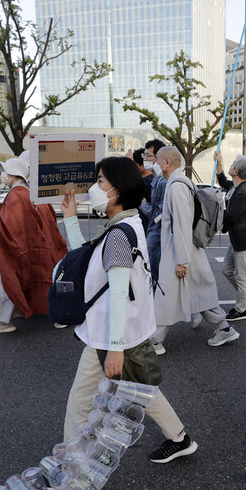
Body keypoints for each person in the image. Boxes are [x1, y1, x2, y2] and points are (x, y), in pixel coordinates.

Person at [60, 156, 198, 463]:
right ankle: (180, 437)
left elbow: (120, 292)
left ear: (118, 189)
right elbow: (83, 264)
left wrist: (116, 349)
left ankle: (70, 463)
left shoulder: (118, 235)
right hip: (126, 331)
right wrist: (70, 219)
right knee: (140, 389)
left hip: (111, 335)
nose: (95, 189)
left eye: (100, 182)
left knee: (80, 401)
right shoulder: (128, 223)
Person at [150, 146, 238, 353]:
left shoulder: (176, 187)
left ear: (167, 163)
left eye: (157, 159)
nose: (154, 162)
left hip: (180, 252)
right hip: (187, 250)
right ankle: (224, 327)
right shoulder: (182, 183)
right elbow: (182, 217)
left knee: (167, 295)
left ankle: (155, 339)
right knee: (200, 292)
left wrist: (182, 261)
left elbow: (181, 223)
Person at [0, 153, 67, 334]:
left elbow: (9, 226)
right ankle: (61, 313)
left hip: (15, 249)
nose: (3, 174)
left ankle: (5, 321)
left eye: (5, 171)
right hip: (36, 246)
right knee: (42, 280)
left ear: (12, 174)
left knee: (8, 281)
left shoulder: (16, 195)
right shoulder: (28, 193)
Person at [215, 151, 246, 322]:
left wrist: (213, 212)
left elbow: (231, 215)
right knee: (226, 270)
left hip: (244, 241)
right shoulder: (236, 186)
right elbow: (222, 181)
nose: (231, 166)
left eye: (233, 164)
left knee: (242, 277)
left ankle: (241, 309)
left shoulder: (242, 192)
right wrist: (220, 161)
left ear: (237, 171)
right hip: (236, 239)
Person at [139, 139, 167, 284]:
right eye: (145, 155)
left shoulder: (162, 182)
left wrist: (143, 205)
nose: (146, 159)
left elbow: (160, 213)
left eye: (149, 155)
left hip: (157, 233)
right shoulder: (156, 179)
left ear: (159, 158)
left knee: (153, 269)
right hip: (153, 231)